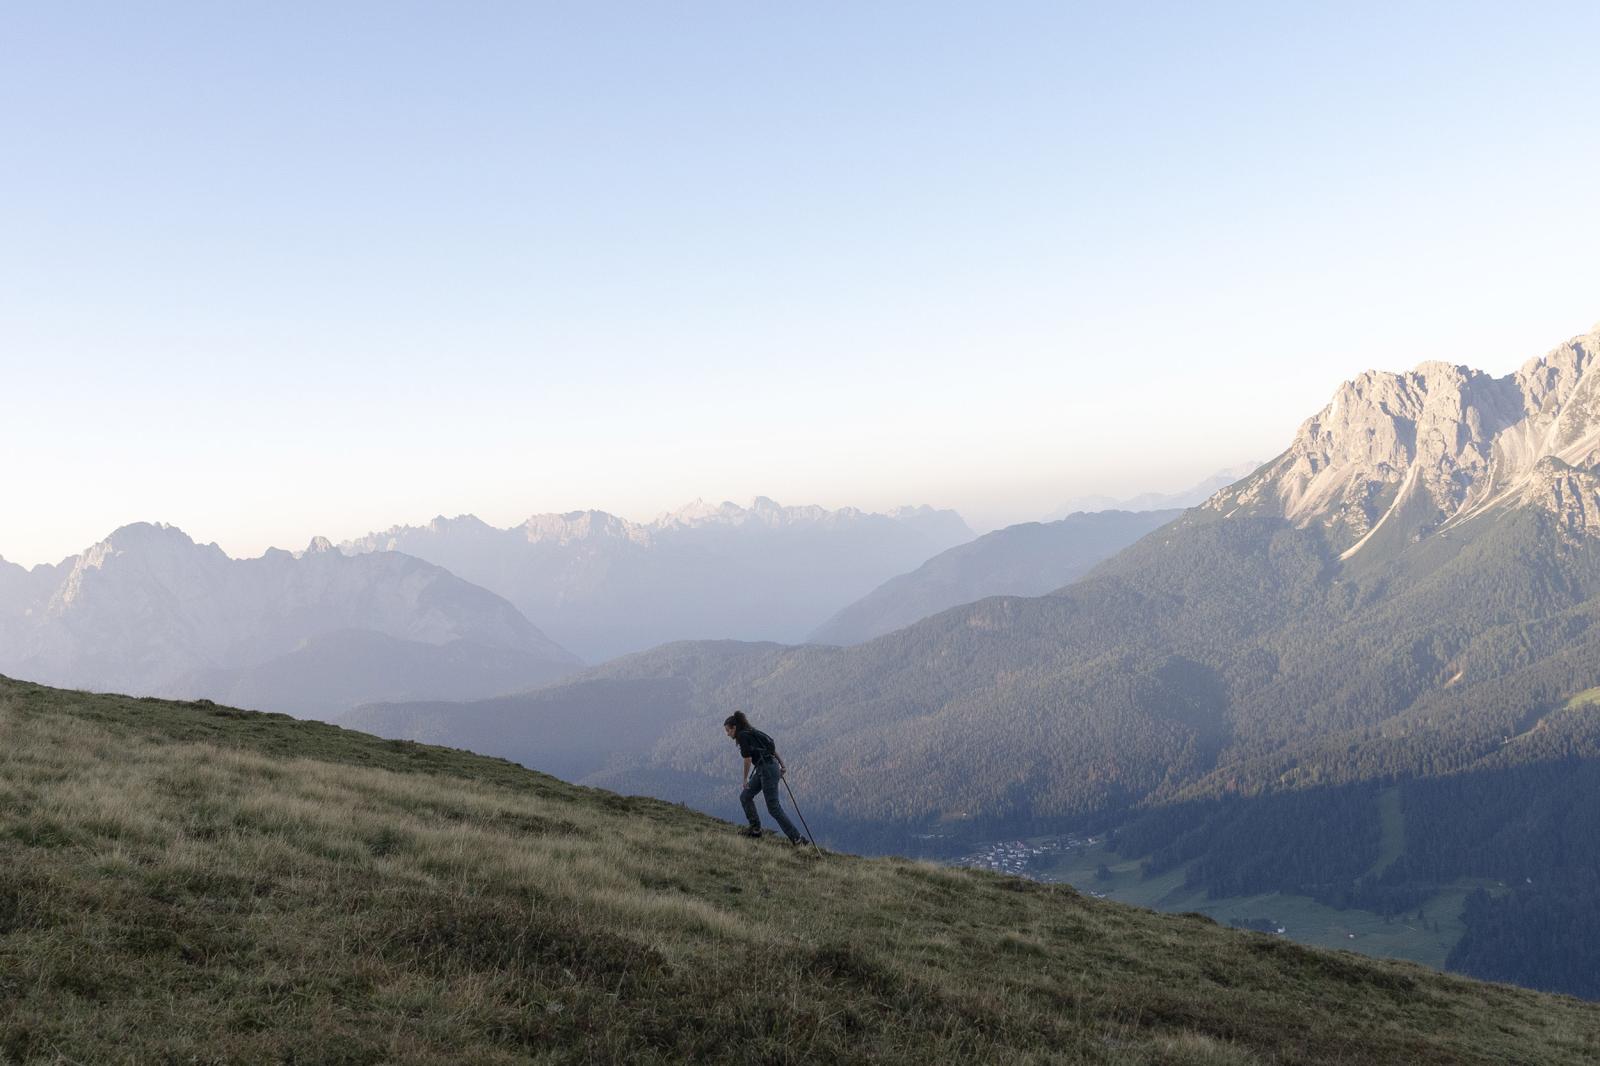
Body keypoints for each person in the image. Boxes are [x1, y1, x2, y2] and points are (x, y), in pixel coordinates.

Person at [723, 711, 807, 845]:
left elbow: (748, 759)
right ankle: (755, 830)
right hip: (768, 767)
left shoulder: (743, 736)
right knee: (745, 796)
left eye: (728, 730)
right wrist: (782, 764)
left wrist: (744, 779)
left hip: (767, 770)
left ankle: (797, 839)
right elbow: (770, 748)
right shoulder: (751, 731)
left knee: (773, 808)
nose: (727, 734)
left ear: (734, 728)